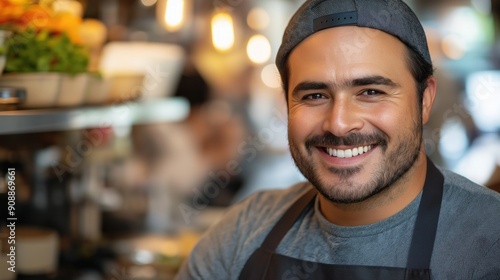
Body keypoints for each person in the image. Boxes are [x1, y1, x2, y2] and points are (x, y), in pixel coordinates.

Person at [175, 0, 500, 279]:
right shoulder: (243, 231)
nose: (340, 124)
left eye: (371, 92)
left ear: (425, 100)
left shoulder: (489, 240)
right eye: (315, 95)